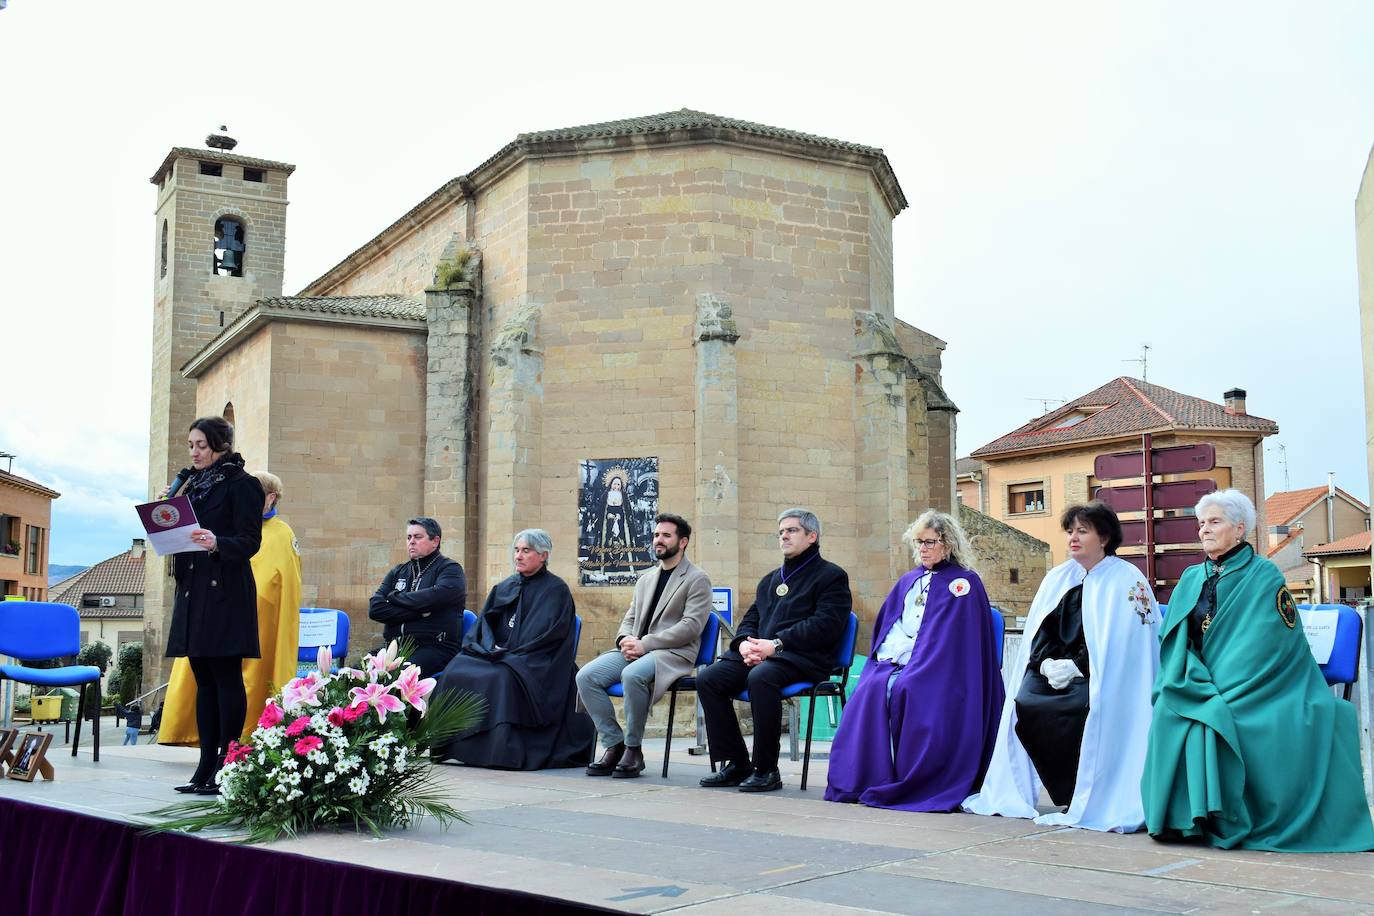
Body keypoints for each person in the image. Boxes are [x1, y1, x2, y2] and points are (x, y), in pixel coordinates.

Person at [1142, 489, 1374, 851]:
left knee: (1222, 716)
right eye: (1201, 523)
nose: (1204, 530)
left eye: (1214, 522)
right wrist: (1191, 679)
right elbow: (1173, 638)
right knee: (1169, 711)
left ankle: (1222, 817)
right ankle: (1183, 821)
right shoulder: (1189, 577)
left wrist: (1219, 690)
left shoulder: (1264, 575)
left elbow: (1269, 647)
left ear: (1240, 529)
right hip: (1198, 679)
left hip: (1259, 686)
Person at [964, 501, 1160, 832]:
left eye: (1082, 531)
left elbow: (1126, 646)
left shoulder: (1127, 580)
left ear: (1105, 536)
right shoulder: (1059, 578)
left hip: (1101, 678)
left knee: (1081, 707)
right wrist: (1046, 663)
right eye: (1070, 531)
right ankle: (1065, 788)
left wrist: (1079, 667)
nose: (1073, 538)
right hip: (1055, 671)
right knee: (1026, 702)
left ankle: (1090, 791)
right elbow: (1041, 632)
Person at [825, 510, 1003, 810]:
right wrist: (898, 654)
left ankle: (920, 779)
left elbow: (955, 640)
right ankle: (870, 779)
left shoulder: (965, 583)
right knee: (869, 689)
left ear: (947, 544)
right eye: (918, 542)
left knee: (911, 688)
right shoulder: (909, 581)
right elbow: (890, 627)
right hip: (901, 659)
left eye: (929, 542)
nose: (922, 549)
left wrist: (916, 657)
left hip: (945, 670)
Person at [697, 508, 851, 792]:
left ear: (812, 536)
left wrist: (776, 644)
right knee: (709, 679)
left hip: (803, 658)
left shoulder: (832, 576)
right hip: (763, 654)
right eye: (781, 531)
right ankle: (736, 763)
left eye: (791, 530)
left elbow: (825, 625)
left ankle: (766, 769)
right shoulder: (770, 579)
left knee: (761, 677)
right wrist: (744, 643)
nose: (784, 536)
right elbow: (751, 619)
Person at [160, 470, 302, 745]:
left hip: (256, 622)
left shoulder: (282, 533)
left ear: (270, 498)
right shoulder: (226, 525)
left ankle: (236, 746)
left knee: (235, 682)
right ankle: (205, 745)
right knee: (206, 680)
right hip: (214, 613)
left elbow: (285, 583)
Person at [431, 529, 594, 770]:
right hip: (497, 654)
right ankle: (453, 746)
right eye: (516, 550)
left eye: (526, 551)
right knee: (456, 669)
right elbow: (484, 623)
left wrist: (507, 654)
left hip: (538, 659)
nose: (518, 556)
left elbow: (547, 636)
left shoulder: (555, 590)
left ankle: (499, 751)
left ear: (543, 555)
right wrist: (489, 647)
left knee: (502, 677)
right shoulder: (505, 586)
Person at [163, 416, 264, 795]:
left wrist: (217, 542)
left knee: (225, 676)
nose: (194, 452)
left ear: (220, 445)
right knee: (202, 678)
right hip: (194, 590)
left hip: (225, 591)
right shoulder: (193, 488)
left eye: (201, 445)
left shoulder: (243, 485)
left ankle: (228, 763)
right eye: (190, 445)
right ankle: (205, 764)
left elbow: (250, 541)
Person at [576, 513, 713, 778]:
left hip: (672, 653)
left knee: (632, 674)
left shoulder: (697, 578)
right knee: (586, 676)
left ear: (683, 542)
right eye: (656, 535)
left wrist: (645, 644)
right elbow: (629, 618)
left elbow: (690, 627)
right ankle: (613, 744)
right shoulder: (646, 578)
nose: (658, 540)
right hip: (636, 649)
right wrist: (624, 640)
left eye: (666, 535)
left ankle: (633, 749)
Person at [368, 517, 465, 681]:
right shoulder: (398, 571)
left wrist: (393, 597)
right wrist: (420, 612)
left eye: (417, 537)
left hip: (434, 647)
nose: (411, 542)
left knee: (396, 679)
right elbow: (375, 609)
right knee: (353, 674)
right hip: (394, 647)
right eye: (409, 537)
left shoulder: (450, 569)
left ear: (435, 541)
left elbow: (434, 598)